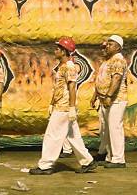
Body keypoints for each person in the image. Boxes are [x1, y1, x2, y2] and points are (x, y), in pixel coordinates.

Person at [30, 37, 97, 175]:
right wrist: (51, 103)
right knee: (73, 137)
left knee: (52, 135)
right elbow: (59, 88)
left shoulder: (69, 67)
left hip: (64, 107)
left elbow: (72, 88)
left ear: (64, 51)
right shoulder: (62, 67)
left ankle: (46, 165)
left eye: (58, 48)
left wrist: (71, 107)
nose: (55, 51)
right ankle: (87, 161)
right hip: (60, 105)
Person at [90, 35, 129, 168]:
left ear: (118, 47)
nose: (107, 46)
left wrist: (108, 96)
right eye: (108, 44)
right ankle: (110, 156)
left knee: (115, 128)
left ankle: (119, 159)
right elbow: (102, 79)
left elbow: (116, 80)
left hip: (115, 100)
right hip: (105, 99)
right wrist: (96, 95)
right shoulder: (108, 60)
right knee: (107, 130)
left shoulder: (118, 60)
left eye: (111, 44)